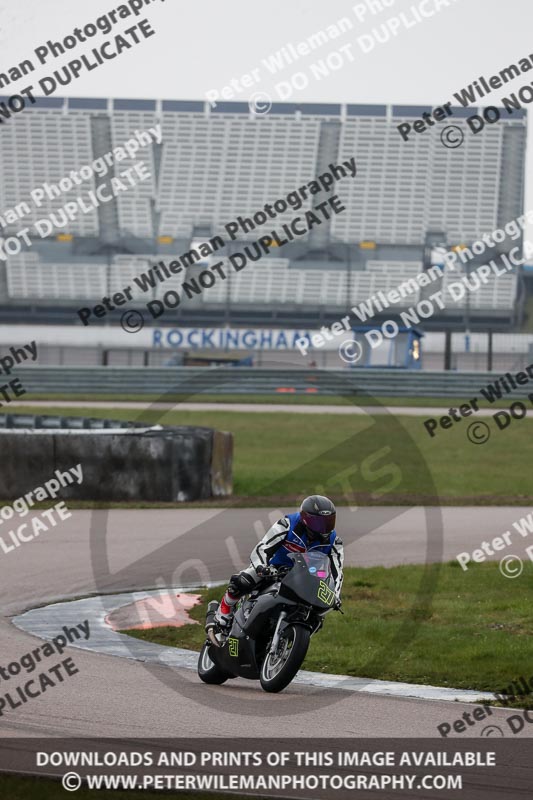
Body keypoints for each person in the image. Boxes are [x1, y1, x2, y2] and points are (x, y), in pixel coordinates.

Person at [214, 495, 344, 627]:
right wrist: (261, 567)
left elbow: (337, 571)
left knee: (317, 618)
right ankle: (224, 610)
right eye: (319, 523)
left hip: (307, 580)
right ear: (305, 519)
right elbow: (263, 547)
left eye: (329, 521)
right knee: (244, 580)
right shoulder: (288, 523)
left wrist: (335, 595)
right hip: (274, 570)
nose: (325, 528)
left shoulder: (335, 541)